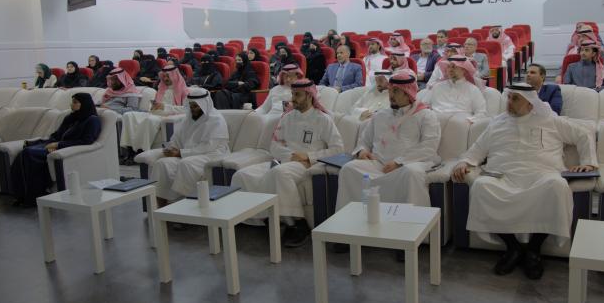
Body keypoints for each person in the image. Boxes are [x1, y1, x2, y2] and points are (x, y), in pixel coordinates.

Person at [452, 83, 597, 279]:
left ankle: (534, 250)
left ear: (530, 103)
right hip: (504, 177)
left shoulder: (550, 120)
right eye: (509, 97)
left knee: (557, 186)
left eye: (515, 99)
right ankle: (513, 248)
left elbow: (583, 134)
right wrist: (465, 162)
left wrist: (588, 163)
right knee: (481, 186)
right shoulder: (497, 123)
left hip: (543, 176)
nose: (509, 102)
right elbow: (477, 149)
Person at [232, 80, 344, 247]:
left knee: (280, 173)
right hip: (284, 160)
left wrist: (309, 156)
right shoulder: (287, 117)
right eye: (292, 94)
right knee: (242, 175)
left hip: (306, 164)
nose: (293, 99)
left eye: (297, 95)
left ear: (309, 96)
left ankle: (298, 224)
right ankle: (265, 219)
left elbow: (338, 149)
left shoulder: (323, 119)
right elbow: (274, 145)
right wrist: (290, 155)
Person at [336, 71, 441, 216]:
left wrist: (399, 162)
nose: (391, 95)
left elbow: (429, 147)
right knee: (349, 169)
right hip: (379, 164)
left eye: (396, 91)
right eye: (390, 90)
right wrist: (362, 151)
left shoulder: (426, 115)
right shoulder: (380, 115)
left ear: (408, 93)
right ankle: (351, 220)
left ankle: (411, 224)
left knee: (411, 174)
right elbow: (364, 140)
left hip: (409, 164)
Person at [10, 93, 101, 205]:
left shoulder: (92, 120)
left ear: (85, 104)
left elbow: (86, 141)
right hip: (54, 146)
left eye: (75, 102)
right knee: (24, 152)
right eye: (72, 102)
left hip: (64, 148)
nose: (71, 104)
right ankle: (22, 195)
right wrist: (51, 143)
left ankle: (32, 196)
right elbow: (57, 135)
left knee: (28, 153)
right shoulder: (70, 118)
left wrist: (58, 145)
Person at [150, 88, 229, 206]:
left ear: (204, 105)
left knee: (186, 164)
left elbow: (209, 146)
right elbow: (177, 137)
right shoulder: (188, 119)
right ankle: (160, 208)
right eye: (191, 106)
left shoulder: (216, 120)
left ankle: (187, 206)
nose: (193, 109)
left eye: (196, 106)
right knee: (162, 164)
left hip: (211, 155)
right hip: (186, 154)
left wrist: (181, 153)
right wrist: (172, 148)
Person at [120, 64, 188, 161]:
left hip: (167, 117)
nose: (165, 79)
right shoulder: (161, 88)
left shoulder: (184, 91)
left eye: (168, 76)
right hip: (154, 113)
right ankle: (129, 150)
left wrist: (165, 107)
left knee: (149, 120)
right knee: (129, 115)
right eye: (164, 76)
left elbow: (186, 109)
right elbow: (155, 104)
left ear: (175, 76)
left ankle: (141, 151)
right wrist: (153, 106)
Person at [421, 55, 486, 119]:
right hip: (435, 122)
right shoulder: (437, 86)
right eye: (448, 67)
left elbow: (481, 112)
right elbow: (424, 106)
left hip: (462, 123)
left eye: (454, 67)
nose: (450, 70)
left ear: (464, 70)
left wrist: (470, 122)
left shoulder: (473, 89)